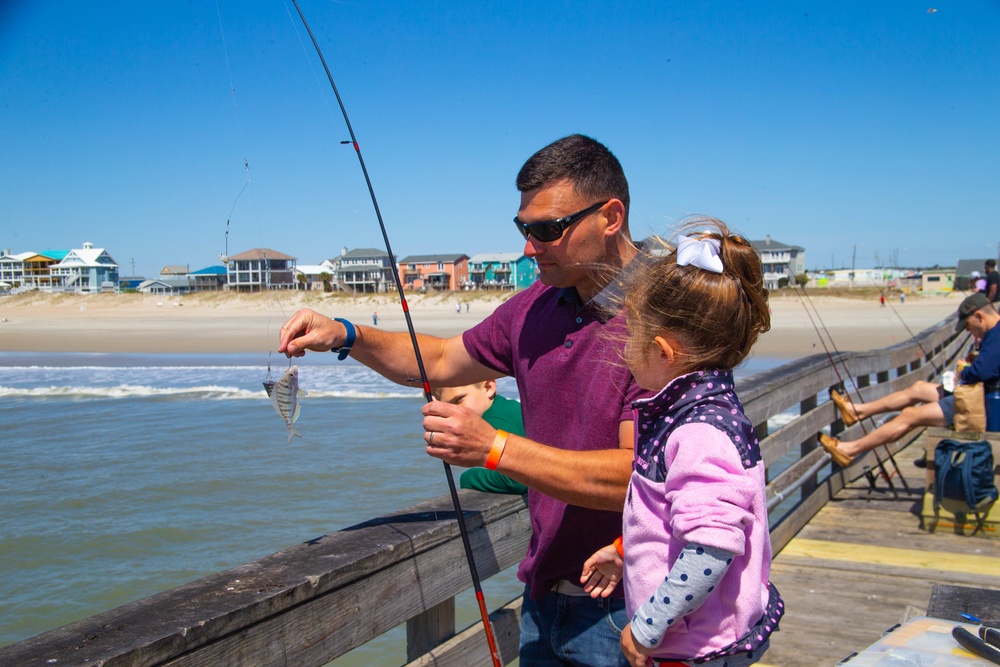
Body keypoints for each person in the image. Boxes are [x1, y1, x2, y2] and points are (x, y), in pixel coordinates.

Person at [278, 134, 651, 667]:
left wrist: (494, 446)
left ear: (610, 217)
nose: (529, 246)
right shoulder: (534, 309)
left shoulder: (667, 318)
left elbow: (638, 477)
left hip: (634, 610)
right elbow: (440, 361)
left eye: (548, 229)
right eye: (523, 228)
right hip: (544, 597)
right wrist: (344, 333)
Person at [577, 221, 782, 667]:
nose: (626, 354)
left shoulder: (697, 432)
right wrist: (624, 550)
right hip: (697, 637)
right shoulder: (700, 411)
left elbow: (712, 547)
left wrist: (648, 627)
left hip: (698, 649)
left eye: (631, 338)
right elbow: (675, 514)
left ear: (663, 353)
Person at [821, 292, 1000, 467]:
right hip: (981, 394)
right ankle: (857, 411)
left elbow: (981, 373)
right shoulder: (993, 333)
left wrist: (963, 371)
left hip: (984, 404)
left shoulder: (996, 336)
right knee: (919, 388)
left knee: (910, 415)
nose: (968, 331)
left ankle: (850, 449)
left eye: (967, 325)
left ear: (979, 316)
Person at [431, 380, 528, 495]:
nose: (455, 411)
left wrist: (468, 477)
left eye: (458, 400)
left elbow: (514, 480)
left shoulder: (493, 423)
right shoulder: (510, 407)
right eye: (448, 407)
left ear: (488, 388)